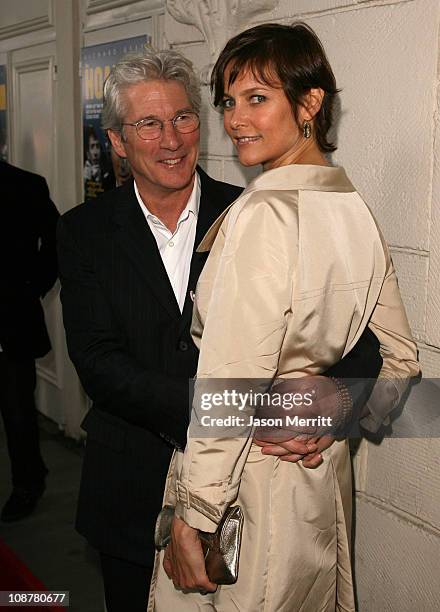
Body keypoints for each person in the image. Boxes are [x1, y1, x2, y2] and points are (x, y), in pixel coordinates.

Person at [58, 50, 382, 612]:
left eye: (184, 118)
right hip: (132, 485)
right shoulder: (84, 231)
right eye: (149, 124)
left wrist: (335, 405)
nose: (172, 139)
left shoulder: (257, 211)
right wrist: (237, 411)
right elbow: (99, 362)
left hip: (255, 495)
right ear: (117, 141)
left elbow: (363, 339)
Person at [151, 24, 420, 611]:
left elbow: (231, 379)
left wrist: (193, 513)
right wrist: (337, 409)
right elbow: (400, 358)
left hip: (248, 488)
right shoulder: (355, 211)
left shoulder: (262, 215)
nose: (234, 119)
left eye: (256, 98)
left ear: (309, 104)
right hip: (319, 481)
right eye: (227, 101)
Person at [0, 160, 59, 522]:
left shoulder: (24, 185)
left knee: (17, 411)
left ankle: (28, 485)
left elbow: (55, 240)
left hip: (10, 323)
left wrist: (31, 288)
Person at [83, 125, 115, 199]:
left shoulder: (108, 173)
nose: (95, 152)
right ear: (87, 152)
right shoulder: (85, 173)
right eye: (92, 146)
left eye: (97, 146)